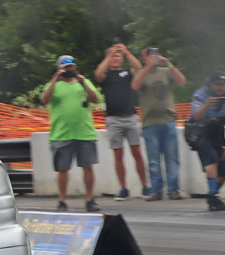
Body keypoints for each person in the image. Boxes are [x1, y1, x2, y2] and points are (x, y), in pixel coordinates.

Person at [40, 55, 102, 212]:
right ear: (59, 69)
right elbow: (45, 100)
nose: (69, 70)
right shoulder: (54, 85)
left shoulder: (83, 82)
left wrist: (82, 81)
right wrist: (56, 79)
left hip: (84, 132)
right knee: (62, 169)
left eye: (71, 67)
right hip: (62, 133)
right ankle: (62, 200)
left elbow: (95, 99)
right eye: (66, 68)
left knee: (88, 166)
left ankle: (89, 199)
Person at [94, 42, 145, 199]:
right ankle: (123, 187)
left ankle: (145, 185)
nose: (115, 58)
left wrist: (127, 52)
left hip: (130, 116)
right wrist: (109, 54)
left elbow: (139, 69)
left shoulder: (127, 72)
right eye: (113, 56)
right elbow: (98, 75)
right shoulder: (107, 75)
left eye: (118, 56)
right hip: (113, 118)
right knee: (118, 154)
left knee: (137, 151)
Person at [135, 46, 186, 200]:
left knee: (171, 158)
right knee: (153, 160)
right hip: (150, 122)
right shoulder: (140, 74)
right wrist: (147, 68)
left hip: (168, 120)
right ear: (145, 58)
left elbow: (181, 82)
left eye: (155, 55)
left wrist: (168, 64)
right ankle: (156, 191)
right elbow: (135, 86)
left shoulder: (165, 72)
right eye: (150, 56)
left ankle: (174, 190)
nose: (153, 58)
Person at [188, 70, 225, 211]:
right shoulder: (200, 95)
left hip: (218, 131)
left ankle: (212, 195)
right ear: (210, 85)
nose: (220, 88)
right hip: (200, 131)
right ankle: (214, 196)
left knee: (224, 171)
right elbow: (195, 116)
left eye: (223, 84)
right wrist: (206, 106)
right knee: (212, 161)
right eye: (217, 84)